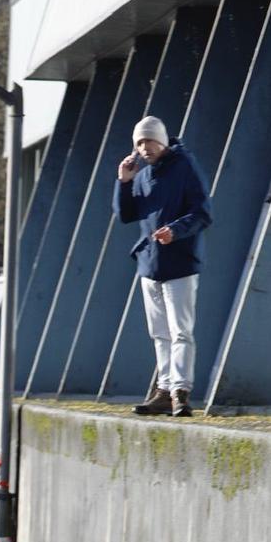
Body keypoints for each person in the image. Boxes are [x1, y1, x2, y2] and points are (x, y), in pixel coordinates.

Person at [114, 115, 212, 418]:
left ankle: (181, 392)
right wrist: (124, 182)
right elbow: (126, 215)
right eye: (139, 142)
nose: (145, 147)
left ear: (163, 139)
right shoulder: (142, 176)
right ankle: (164, 389)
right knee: (159, 332)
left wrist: (175, 231)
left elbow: (202, 213)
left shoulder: (185, 167)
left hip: (180, 262)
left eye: (149, 140)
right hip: (150, 263)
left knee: (181, 331)